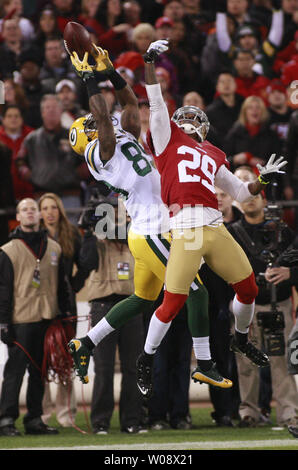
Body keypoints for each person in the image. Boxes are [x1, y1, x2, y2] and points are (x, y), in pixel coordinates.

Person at [66, 44, 232, 394]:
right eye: (91, 124)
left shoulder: (120, 135)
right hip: (153, 229)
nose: (98, 123)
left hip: (155, 228)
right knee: (196, 292)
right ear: (88, 137)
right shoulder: (100, 153)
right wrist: (89, 80)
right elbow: (105, 125)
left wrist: (109, 71)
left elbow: (128, 104)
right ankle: (204, 364)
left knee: (143, 299)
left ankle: (86, 343)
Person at [136, 38, 287, 397]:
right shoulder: (166, 138)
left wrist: (262, 179)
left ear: (203, 127)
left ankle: (239, 339)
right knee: (172, 303)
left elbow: (241, 193)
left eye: (193, 118)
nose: (186, 120)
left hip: (214, 225)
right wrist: (148, 61)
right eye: (182, 116)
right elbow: (155, 101)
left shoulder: (215, 153)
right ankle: (145, 358)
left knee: (249, 288)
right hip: (185, 227)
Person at [228, 167, 298, 428]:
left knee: (283, 362)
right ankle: (249, 412)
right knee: (245, 362)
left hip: (279, 303)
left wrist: (290, 273)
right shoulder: (231, 233)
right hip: (246, 306)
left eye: (255, 195)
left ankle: (289, 412)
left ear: (265, 200)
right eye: (246, 196)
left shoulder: (284, 232)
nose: (250, 200)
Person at [0, 198, 71, 436]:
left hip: (47, 319)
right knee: (14, 373)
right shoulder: (7, 251)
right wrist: (3, 322)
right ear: (18, 217)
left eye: (33, 209)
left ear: (39, 215)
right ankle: (6, 420)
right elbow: (3, 290)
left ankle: (34, 419)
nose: (30, 212)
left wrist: (67, 315)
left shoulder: (54, 247)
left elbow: (63, 286)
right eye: (24, 209)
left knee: (40, 373)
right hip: (20, 320)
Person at [78, 195, 145, 434]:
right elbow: (87, 262)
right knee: (104, 367)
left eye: (124, 210)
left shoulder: (137, 233)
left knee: (132, 367)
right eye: (115, 210)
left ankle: (131, 420)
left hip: (131, 304)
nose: (120, 214)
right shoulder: (97, 236)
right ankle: (100, 421)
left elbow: (125, 234)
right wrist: (88, 232)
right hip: (104, 305)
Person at [38, 193, 87, 428]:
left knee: (66, 360)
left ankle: (67, 415)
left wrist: (74, 285)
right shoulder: (34, 237)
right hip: (39, 307)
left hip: (66, 306)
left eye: (53, 207)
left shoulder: (71, 235)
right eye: (45, 208)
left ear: (60, 210)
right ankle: (43, 414)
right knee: (42, 362)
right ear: (40, 213)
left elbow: (85, 264)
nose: (49, 212)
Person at [199, 186, 242, 427]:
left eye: (222, 195)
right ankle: (223, 410)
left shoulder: (240, 228)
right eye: (213, 195)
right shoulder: (198, 227)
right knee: (215, 359)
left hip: (235, 303)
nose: (217, 199)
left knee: (239, 358)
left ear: (231, 199)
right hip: (210, 305)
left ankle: (241, 406)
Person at [16, 94, 89, 219]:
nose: (51, 111)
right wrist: (31, 175)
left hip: (70, 194)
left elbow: (87, 159)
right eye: (47, 107)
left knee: (70, 234)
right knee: (44, 235)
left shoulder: (74, 135)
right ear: (42, 112)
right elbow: (20, 162)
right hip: (41, 195)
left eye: (54, 107)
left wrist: (79, 173)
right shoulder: (31, 139)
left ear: (61, 111)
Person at [0, 104, 34, 201]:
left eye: (16, 116)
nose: (13, 119)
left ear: (22, 118)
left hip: (29, 192)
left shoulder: (32, 135)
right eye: (9, 116)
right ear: (3, 119)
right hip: (4, 194)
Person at [205, 71, 244, 148]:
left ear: (235, 84)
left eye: (229, 81)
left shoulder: (245, 105)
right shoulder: (210, 111)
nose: (226, 84)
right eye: (222, 82)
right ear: (217, 87)